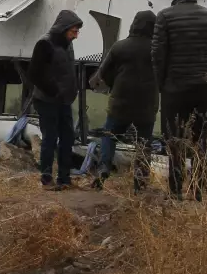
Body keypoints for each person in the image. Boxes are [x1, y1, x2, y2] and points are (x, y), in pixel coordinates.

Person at [152, 0, 207, 201]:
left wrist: (162, 84)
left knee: (173, 138)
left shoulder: (164, 16)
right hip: (201, 88)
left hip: (173, 88)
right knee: (200, 139)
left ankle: (175, 191)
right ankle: (198, 189)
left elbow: (157, 54)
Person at [91, 10, 158, 192]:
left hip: (120, 102)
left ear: (134, 24)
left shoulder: (120, 47)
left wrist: (115, 84)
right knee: (144, 144)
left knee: (109, 135)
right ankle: (140, 183)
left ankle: (104, 167)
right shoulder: (158, 49)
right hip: (146, 105)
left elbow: (102, 73)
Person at [29, 10, 84, 189]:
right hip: (47, 100)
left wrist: (71, 90)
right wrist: (54, 91)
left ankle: (64, 178)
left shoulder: (67, 44)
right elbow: (35, 74)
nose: (76, 36)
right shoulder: (45, 44)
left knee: (68, 138)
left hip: (64, 100)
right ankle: (46, 178)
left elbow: (67, 70)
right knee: (50, 138)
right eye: (73, 31)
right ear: (64, 29)